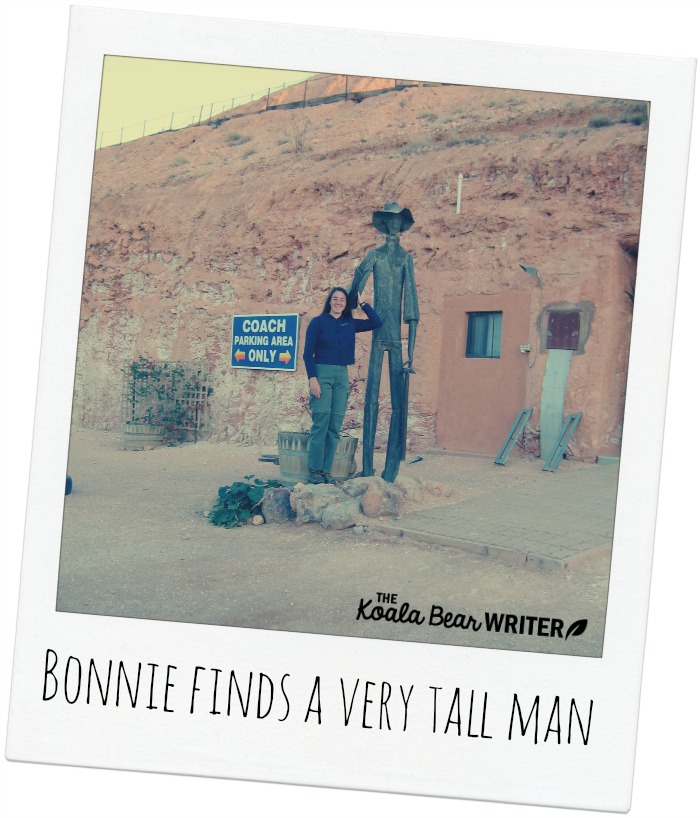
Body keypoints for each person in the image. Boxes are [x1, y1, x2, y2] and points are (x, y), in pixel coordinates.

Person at [348, 201, 419, 483]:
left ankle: (391, 470)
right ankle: (367, 467)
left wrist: (410, 352)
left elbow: (411, 302)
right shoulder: (373, 256)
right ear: (384, 224)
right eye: (388, 220)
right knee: (371, 401)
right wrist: (359, 302)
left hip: (396, 340)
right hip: (378, 337)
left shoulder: (405, 259)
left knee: (399, 404)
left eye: (396, 220)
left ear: (401, 225)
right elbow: (354, 291)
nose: (392, 225)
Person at [303, 287, 381, 484]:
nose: (338, 302)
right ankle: (314, 470)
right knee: (321, 422)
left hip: (342, 375)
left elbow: (376, 322)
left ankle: (326, 472)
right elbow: (307, 353)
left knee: (335, 425)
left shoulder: (349, 323)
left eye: (342, 300)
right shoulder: (318, 322)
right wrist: (313, 378)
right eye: (335, 299)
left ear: (346, 304)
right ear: (330, 301)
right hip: (322, 373)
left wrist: (362, 303)